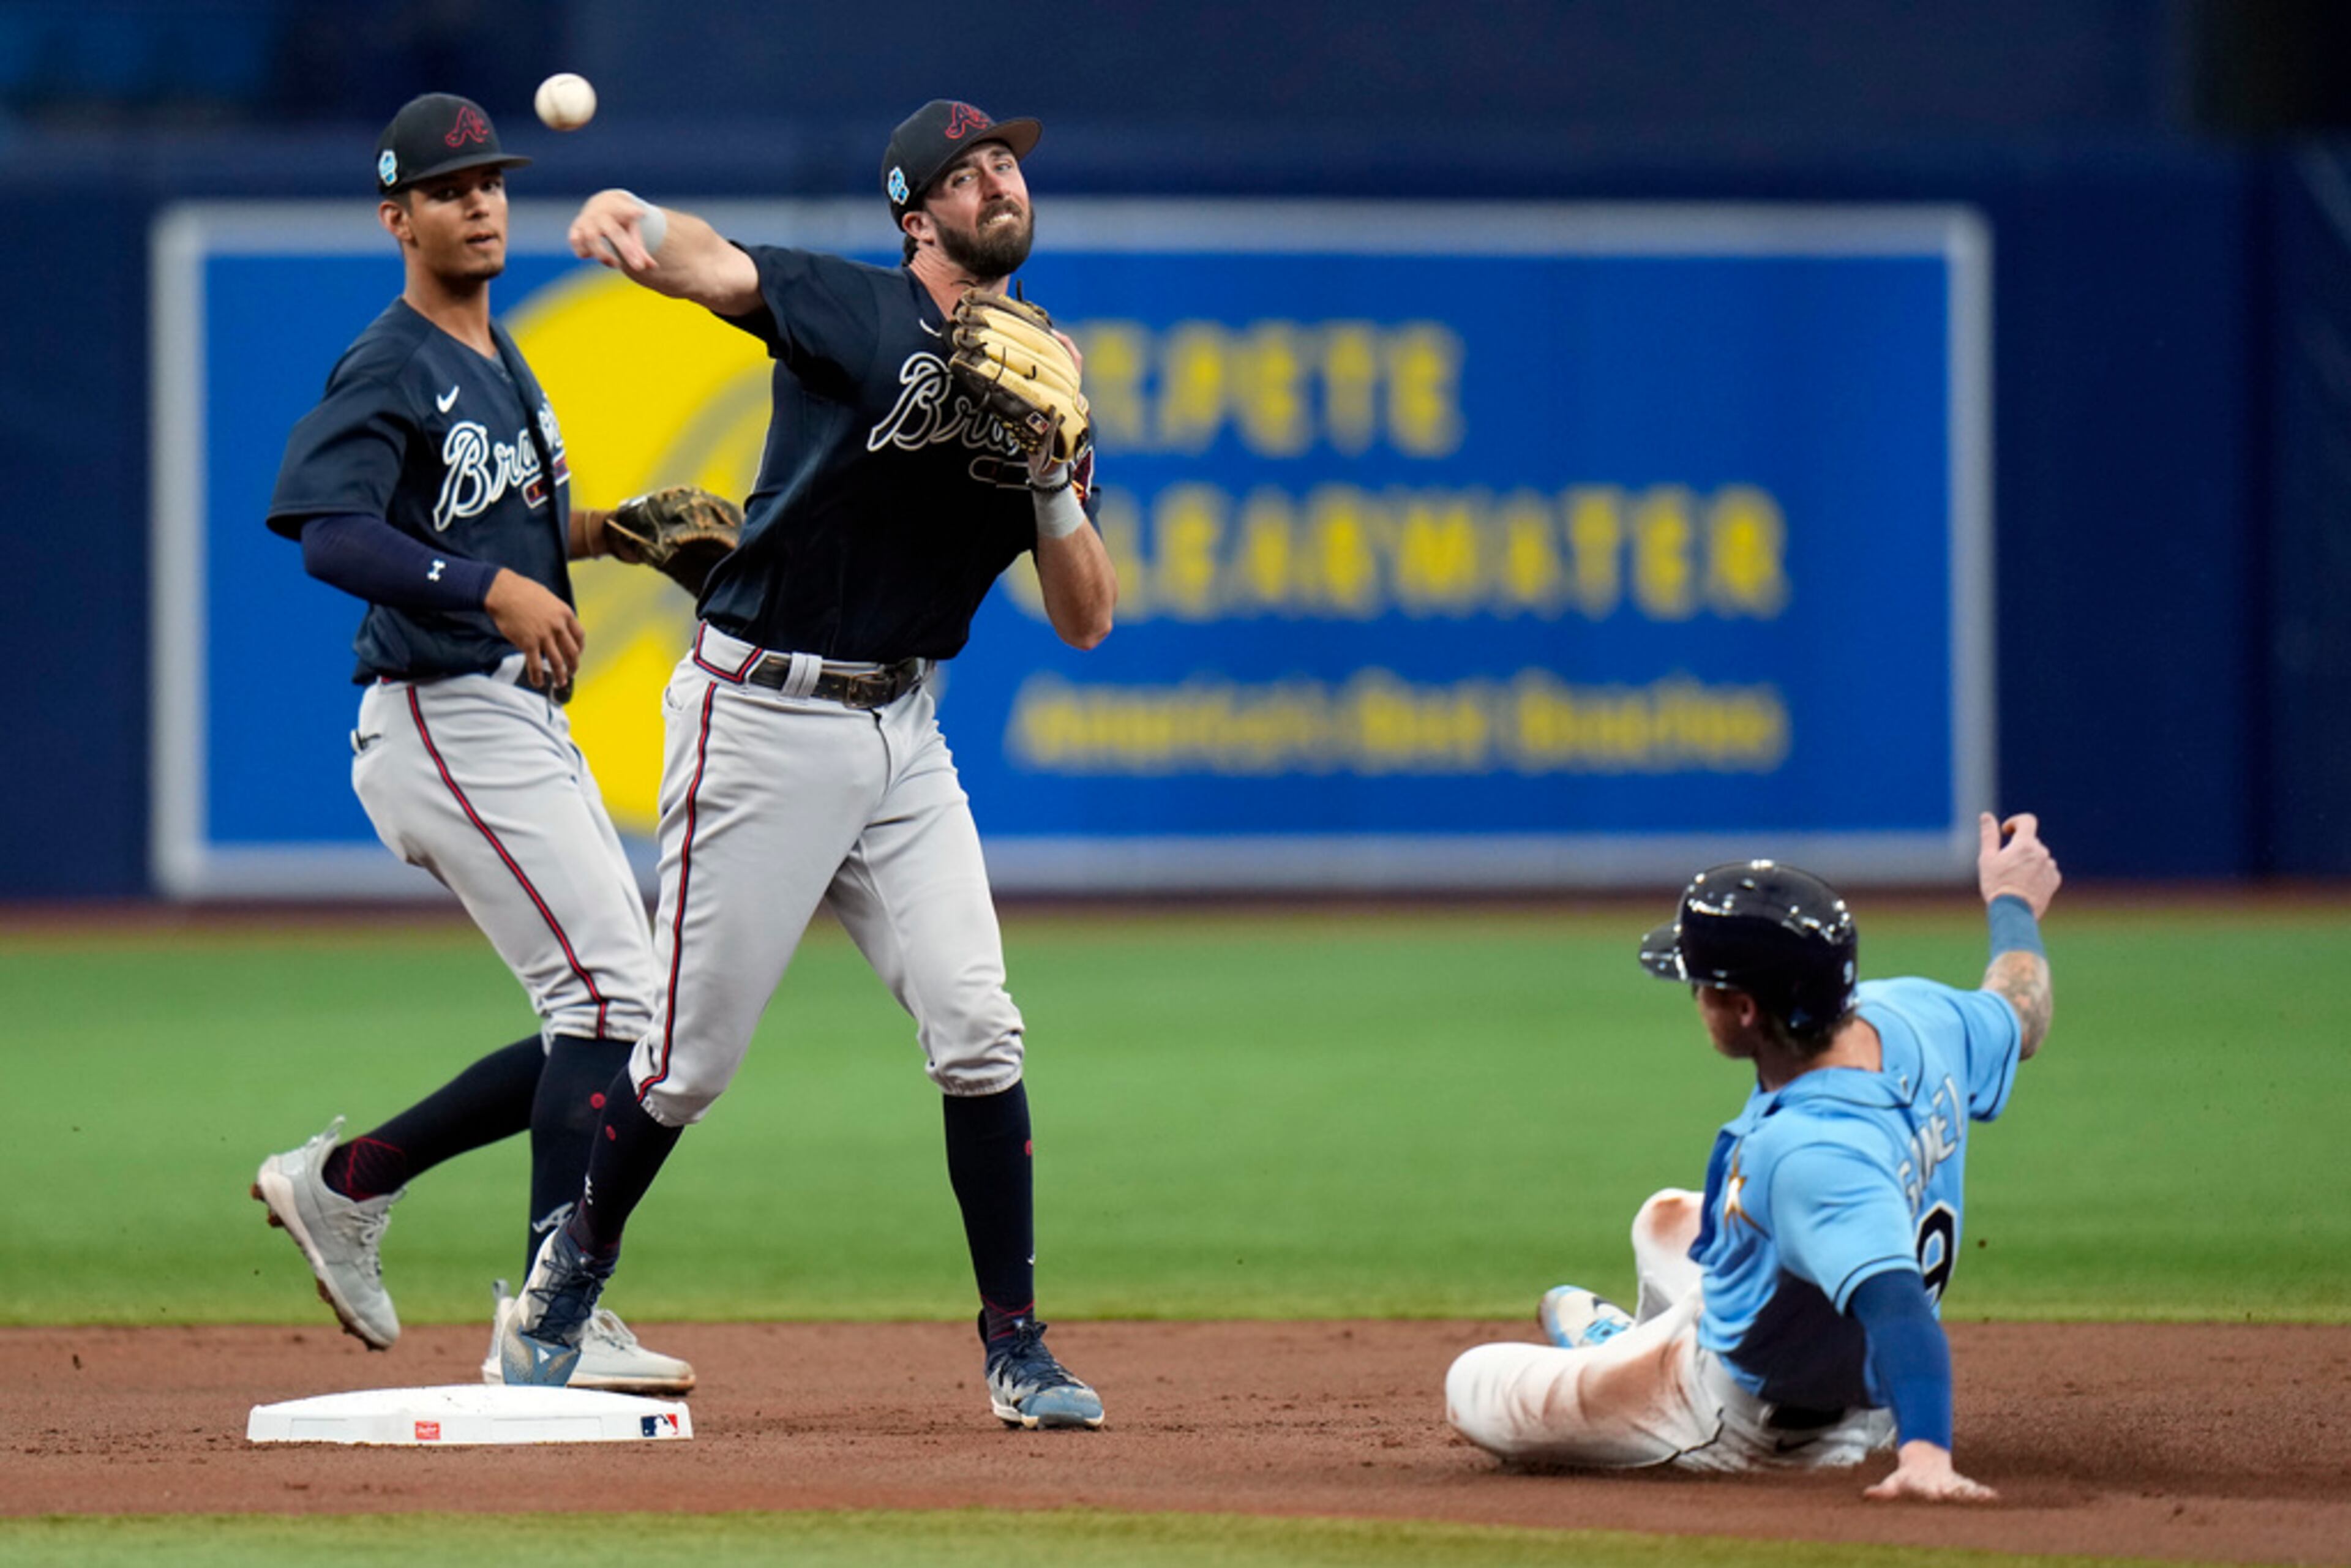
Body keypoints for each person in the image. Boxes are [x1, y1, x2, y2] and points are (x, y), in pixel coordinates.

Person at [494, 99, 1119, 1431]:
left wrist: (1057, 478)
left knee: (978, 1024)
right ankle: (567, 1272)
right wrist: (636, 224)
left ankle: (1017, 1345)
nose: (1001, 178)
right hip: (760, 714)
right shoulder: (861, 310)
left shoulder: (1046, 369)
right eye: (969, 171)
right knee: (682, 1066)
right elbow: (720, 266)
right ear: (919, 218)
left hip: (904, 732)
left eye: (1008, 161)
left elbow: (1087, 616)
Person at [250, 91, 693, 1395]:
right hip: (441, 704)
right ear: (399, 218)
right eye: (451, 190)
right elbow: (328, 526)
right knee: (610, 997)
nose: (483, 203)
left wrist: (608, 531)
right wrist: (487, 588)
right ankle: (550, 1315)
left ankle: (351, 1182)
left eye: (493, 182)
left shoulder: (501, 360)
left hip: (508, 713)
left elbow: (500, 529)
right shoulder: (391, 357)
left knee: (620, 1009)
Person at [1445, 812, 2063, 1501]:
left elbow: (1899, 1309)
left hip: (1760, 1425)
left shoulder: (1816, 1152)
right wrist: (2012, 901)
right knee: (1664, 1219)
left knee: (1473, 1381)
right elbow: (2020, 1009)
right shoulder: (1915, 1013)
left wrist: (1926, 1456)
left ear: (1742, 1007)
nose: (1694, 997)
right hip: (1830, 1344)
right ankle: (1637, 1345)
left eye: (1700, 984)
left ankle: (1620, 1356)